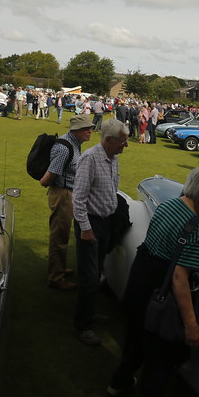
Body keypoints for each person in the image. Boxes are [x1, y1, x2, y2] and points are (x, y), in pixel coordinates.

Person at [107, 167, 199, 397]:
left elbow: (170, 237)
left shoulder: (168, 205)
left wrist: (198, 240)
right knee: (164, 354)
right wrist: (191, 324)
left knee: (135, 338)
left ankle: (119, 382)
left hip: (140, 282)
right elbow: (179, 279)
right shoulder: (195, 226)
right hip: (160, 292)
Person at [72, 119, 128, 346]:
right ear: (108, 140)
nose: (126, 146)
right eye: (122, 142)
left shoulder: (112, 159)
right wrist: (85, 229)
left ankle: (90, 311)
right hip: (91, 224)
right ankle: (82, 325)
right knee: (89, 277)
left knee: (96, 274)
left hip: (105, 223)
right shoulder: (90, 159)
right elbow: (78, 198)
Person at [40, 115, 95, 291]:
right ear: (76, 130)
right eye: (86, 128)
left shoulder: (75, 144)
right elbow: (47, 178)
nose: (90, 131)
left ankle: (60, 268)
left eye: (91, 128)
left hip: (68, 193)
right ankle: (55, 278)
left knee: (63, 235)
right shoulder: (64, 148)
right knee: (59, 237)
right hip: (63, 195)